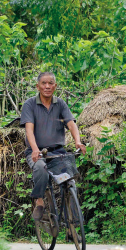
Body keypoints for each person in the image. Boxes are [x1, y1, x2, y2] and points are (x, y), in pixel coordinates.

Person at [20, 72, 86, 221]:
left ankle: (73, 226)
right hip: (37, 152)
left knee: (71, 183)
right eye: (44, 83)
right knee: (40, 168)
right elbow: (29, 130)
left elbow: (71, 124)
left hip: (58, 152)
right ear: (38, 86)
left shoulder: (60, 104)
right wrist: (35, 149)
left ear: (55, 86)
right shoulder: (30, 105)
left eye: (50, 83)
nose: (47, 86)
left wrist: (78, 141)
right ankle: (39, 201)